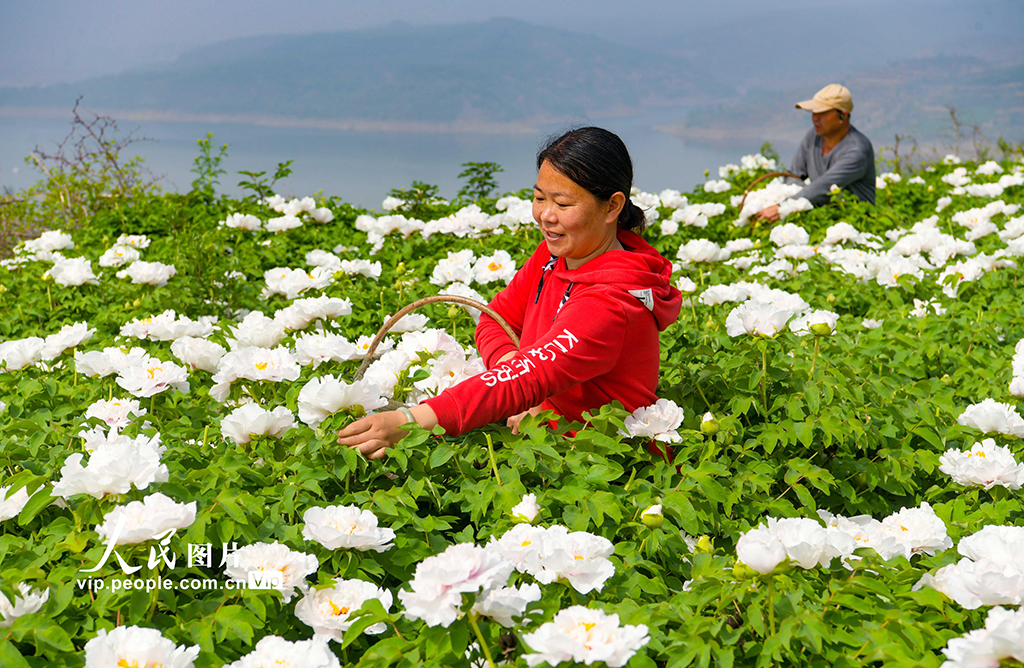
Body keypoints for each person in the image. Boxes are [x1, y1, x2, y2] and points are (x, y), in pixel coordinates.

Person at [337, 127, 683, 459]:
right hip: (537, 443)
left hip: (602, 467)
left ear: (612, 206)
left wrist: (409, 421)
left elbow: (526, 375)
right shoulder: (553, 258)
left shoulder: (612, 302)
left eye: (562, 204)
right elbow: (493, 322)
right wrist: (518, 377)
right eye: (538, 198)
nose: (545, 216)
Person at [754, 84, 875, 223]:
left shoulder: (857, 150)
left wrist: (782, 207)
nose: (815, 118)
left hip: (857, 223)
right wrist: (803, 197)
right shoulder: (813, 137)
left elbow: (825, 187)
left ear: (842, 116)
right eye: (814, 112)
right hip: (822, 218)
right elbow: (792, 175)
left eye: (822, 113)